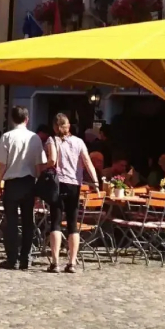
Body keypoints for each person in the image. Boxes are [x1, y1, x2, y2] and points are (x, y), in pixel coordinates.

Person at [44, 113, 100, 274]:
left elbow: (52, 160)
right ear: (68, 126)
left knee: (55, 221)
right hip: (74, 185)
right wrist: (96, 182)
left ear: (55, 127)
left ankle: (55, 262)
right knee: (72, 223)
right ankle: (72, 262)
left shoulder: (52, 140)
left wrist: (43, 167)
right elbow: (87, 161)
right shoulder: (79, 141)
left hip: (58, 183)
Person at [0, 107, 45, 271]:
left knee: (11, 222)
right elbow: (39, 166)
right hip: (29, 183)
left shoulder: (7, 137)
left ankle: (12, 259)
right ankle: (25, 258)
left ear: (12, 119)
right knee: (28, 222)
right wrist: (38, 187)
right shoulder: (35, 138)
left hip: (12, 183)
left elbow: (2, 165)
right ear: (27, 119)